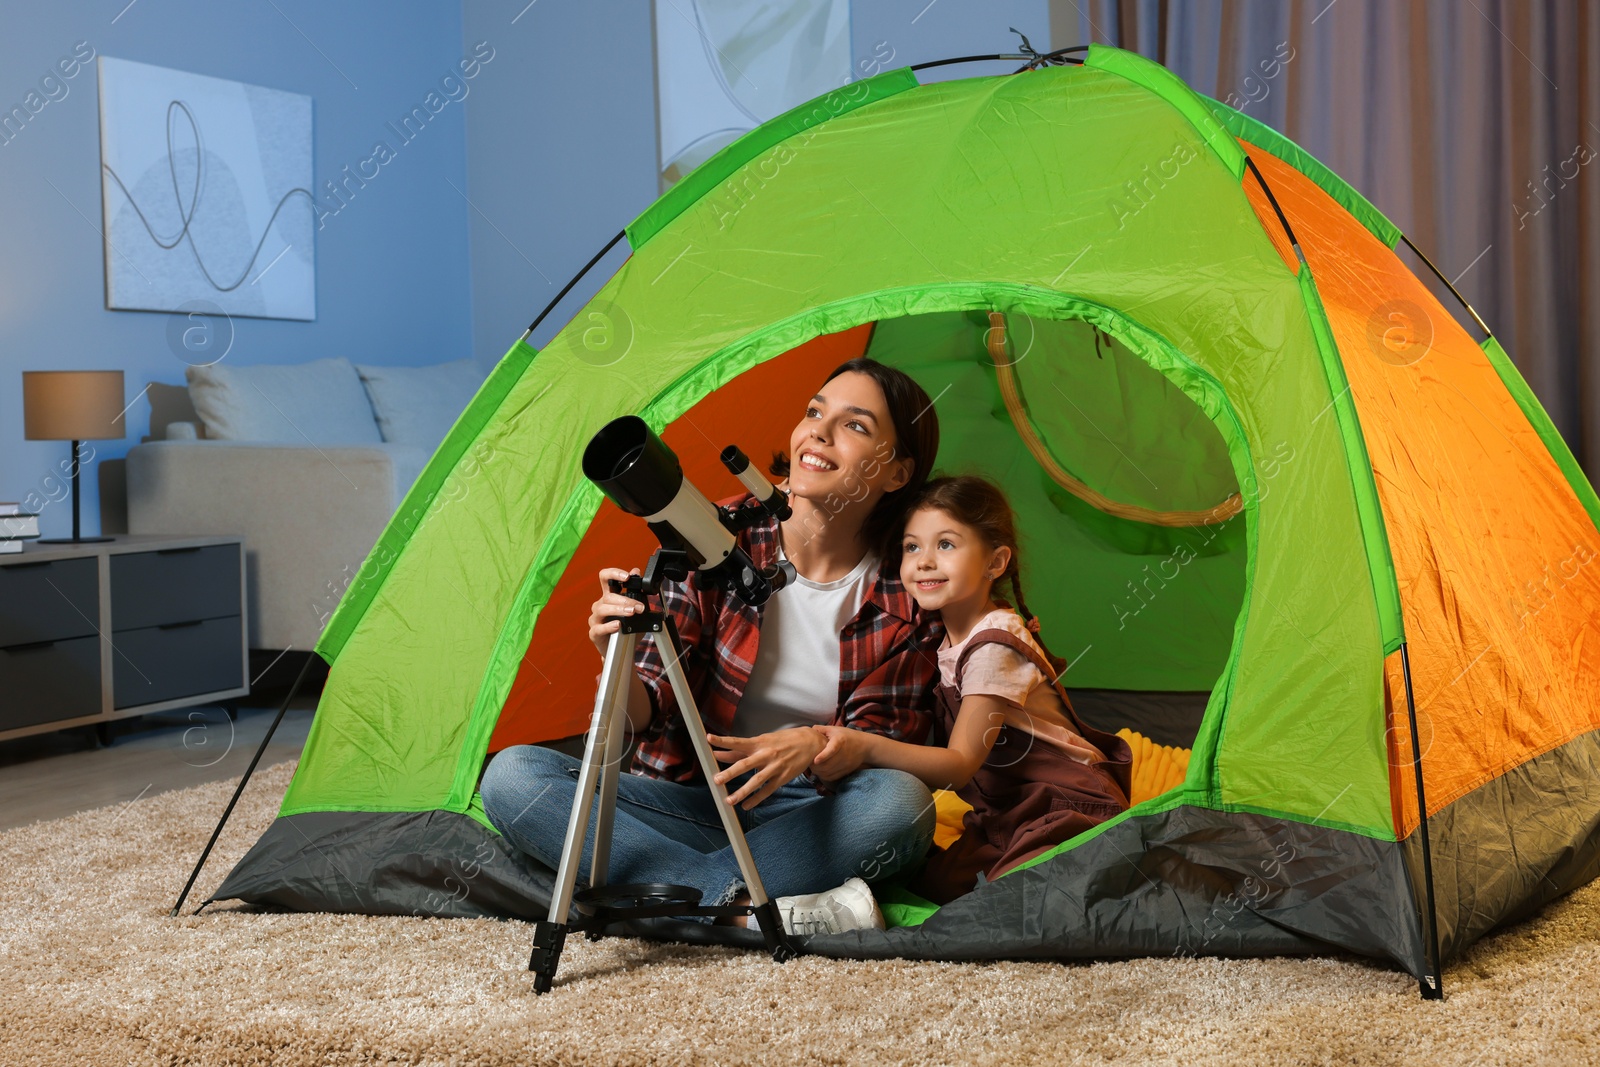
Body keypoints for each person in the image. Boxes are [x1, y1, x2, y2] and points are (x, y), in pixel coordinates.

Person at [480, 356, 946, 935]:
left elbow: (884, 745)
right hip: (695, 802)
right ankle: (743, 908)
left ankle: (683, 901)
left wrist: (817, 742)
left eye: (855, 426)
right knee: (512, 777)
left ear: (897, 473)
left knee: (902, 805)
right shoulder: (713, 532)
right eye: (813, 412)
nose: (818, 433)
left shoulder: (909, 587)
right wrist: (616, 652)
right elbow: (640, 718)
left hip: (813, 814)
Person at [810, 474, 1133, 905]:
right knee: (928, 888)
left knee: (1018, 900)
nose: (924, 561)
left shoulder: (993, 643)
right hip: (1003, 815)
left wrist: (863, 747)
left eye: (945, 544)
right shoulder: (940, 637)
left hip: (1067, 805)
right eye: (912, 546)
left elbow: (960, 764)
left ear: (995, 563)